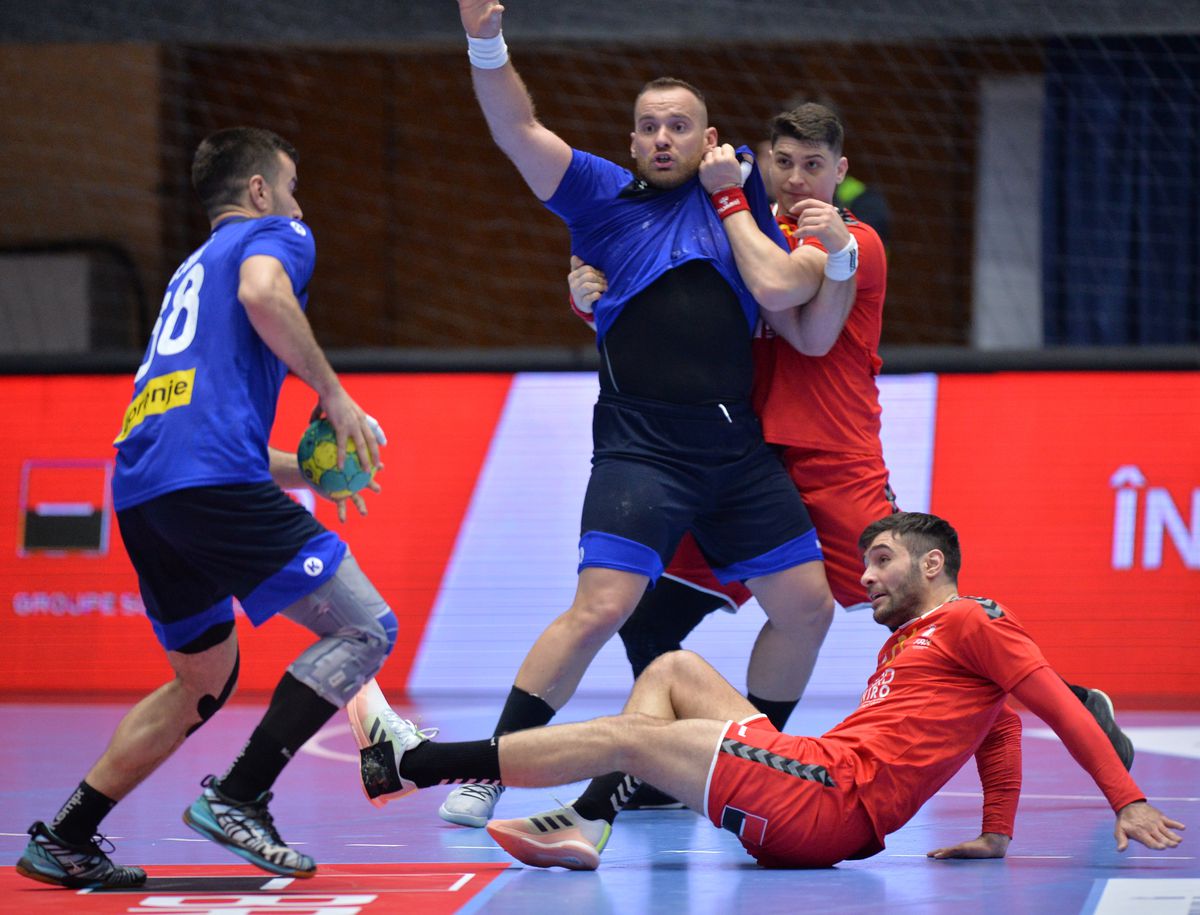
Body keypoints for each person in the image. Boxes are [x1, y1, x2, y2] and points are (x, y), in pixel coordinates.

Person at [569, 105, 1134, 812]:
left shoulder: (853, 240)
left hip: (835, 461)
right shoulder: (741, 234)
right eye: (785, 162)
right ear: (764, 163)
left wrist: (747, 211)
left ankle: (1077, 705)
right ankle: (699, 764)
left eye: (815, 166)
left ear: (841, 173)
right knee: (650, 618)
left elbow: (785, 296)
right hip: (740, 466)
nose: (799, 179)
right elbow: (670, 309)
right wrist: (593, 297)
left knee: (932, 624)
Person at [438, 0, 859, 828]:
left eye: (679, 126)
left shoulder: (748, 206)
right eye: (648, 127)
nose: (662, 138)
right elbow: (518, 129)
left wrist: (824, 236)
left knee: (807, 606)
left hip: (737, 451)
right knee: (601, 606)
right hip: (642, 451)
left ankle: (746, 763)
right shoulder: (600, 201)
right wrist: (485, 44)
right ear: (631, 143)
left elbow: (797, 282)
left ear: (711, 141)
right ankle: (493, 766)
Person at [348, 512, 1183, 871]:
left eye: (884, 558)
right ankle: (593, 820)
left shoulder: (972, 621)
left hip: (828, 803)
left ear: (935, 564)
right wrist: (996, 834)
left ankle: (413, 763)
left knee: (631, 736)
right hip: (817, 775)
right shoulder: (917, 643)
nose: (866, 574)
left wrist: (1126, 797)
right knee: (669, 669)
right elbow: (995, 728)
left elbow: (1056, 705)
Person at [14, 127, 396, 889]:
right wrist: (332, 391)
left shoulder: (190, 269)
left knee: (204, 679)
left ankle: (66, 834)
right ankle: (240, 795)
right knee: (365, 627)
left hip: (143, 490)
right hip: (208, 485)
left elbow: (194, 428)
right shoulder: (276, 236)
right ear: (259, 192)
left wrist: (303, 472)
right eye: (290, 185)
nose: (297, 202)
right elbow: (265, 294)